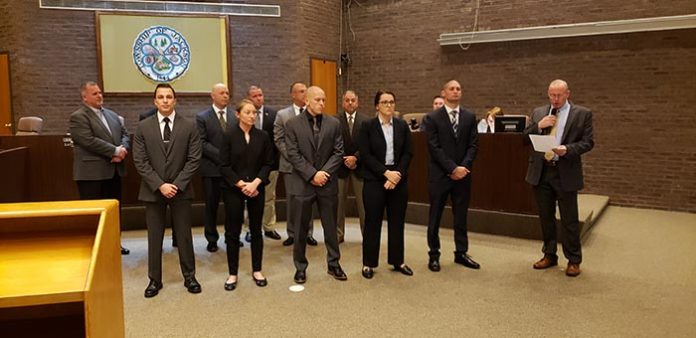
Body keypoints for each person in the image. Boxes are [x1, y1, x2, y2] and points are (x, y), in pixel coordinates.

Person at [133, 83, 202, 298]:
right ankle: (154, 280)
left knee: (184, 236)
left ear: (175, 100)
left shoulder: (189, 126)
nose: (164, 100)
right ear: (154, 101)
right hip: (153, 191)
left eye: (168, 97)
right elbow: (140, 160)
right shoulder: (143, 127)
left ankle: (190, 277)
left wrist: (177, 184)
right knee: (155, 237)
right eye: (160, 97)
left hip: (181, 191)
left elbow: (194, 159)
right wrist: (160, 185)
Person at [524, 79, 594, 277]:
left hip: (565, 171)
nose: (555, 99)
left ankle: (573, 260)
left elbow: (588, 142)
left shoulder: (582, 114)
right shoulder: (539, 112)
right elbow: (524, 137)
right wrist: (538, 126)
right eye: (552, 95)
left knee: (569, 218)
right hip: (542, 171)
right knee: (546, 217)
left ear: (567, 94)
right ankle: (549, 254)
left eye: (559, 95)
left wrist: (568, 149)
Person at [284, 86, 346, 284]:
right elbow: (292, 154)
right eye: (318, 99)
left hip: (327, 184)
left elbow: (338, 152)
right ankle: (300, 267)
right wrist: (312, 175)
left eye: (324, 100)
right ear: (307, 101)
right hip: (303, 183)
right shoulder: (293, 124)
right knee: (301, 229)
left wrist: (324, 174)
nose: (322, 103)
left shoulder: (334, 123)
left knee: (330, 227)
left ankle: (334, 264)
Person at [421, 79, 480, 272]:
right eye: (451, 89)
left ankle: (461, 253)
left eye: (458, 89)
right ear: (443, 93)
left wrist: (463, 167)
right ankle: (434, 254)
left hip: (463, 176)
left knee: (461, 216)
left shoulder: (470, 117)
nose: (455, 92)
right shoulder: (432, 118)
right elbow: (434, 148)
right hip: (440, 175)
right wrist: (452, 168)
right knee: (435, 216)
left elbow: (473, 145)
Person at [69, 81, 130, 255]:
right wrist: (114, 150)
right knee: (94, 214)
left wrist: (123, 149)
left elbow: (125, 133)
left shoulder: (111, 115)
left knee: (113, 212)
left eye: (100, 92)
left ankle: (113, 244)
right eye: (95, 93)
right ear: (85, 97)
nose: (100, 96)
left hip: (114, 171)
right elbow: (87, 140)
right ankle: (94, 248)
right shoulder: (78, 116)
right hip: (91, 174)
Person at [358, 90, 414, 279]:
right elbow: (365, 155)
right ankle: (368, 263)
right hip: (375, 179)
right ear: (377, 106)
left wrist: (396, 175)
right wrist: (385, 174)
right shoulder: (367, 126)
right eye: (384, 102)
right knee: (372, 222)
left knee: (397, 222)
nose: (389, 105)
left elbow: (408, 153)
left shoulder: (401, 125)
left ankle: (397, 261)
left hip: (398, 178)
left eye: (391, 102)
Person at [219, 99, 274, 290]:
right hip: (234, 188)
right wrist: (241, 184)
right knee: (232, 232)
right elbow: (224, 165)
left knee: (256, 230)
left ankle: (257, 270)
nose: (252, 116)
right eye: (248, 112)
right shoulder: (228, 136)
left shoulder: (263, 136)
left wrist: (256, 182)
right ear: (238, 114)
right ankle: (232, 273)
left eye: (254, 113)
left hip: (257, 187)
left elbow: (268, 163)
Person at [195, 83, 240, 253]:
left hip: (230, 171)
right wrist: (222, 156)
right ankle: (212, 238)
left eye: (227, 93)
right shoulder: (202, 117)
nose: (226, 96)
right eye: (222, 93)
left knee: (232, 206)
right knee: (211, 206)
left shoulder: (234, 116)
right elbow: (202, 142)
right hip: (211, 169)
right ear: (212, 96)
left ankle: (232, 237)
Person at [274, 82, 317, 247]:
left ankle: (309, 233)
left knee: (309, 199)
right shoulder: (283, 115)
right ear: (292, 94)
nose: (304, 94)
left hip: (310, 166)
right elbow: (278, 139)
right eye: (300, 91)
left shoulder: (313, 114)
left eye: (306, 91)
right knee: (293, 200)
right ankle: (292, 233)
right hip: (290, 165)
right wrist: (293, 157)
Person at [243, 85, 282, 242]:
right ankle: (250, 229)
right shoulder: (244, 116)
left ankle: (269, 227)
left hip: (270, 165)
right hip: (248, 167)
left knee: (269, 198)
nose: (259, 98)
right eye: (255, 96)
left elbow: (276, 140)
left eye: (260, 95)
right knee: (249, 198)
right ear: (248, 98)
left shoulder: (273, 115)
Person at [336, 90, 367, 243]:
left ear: (357, 102)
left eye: (352, 100)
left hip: (359, 167)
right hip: (340, 168)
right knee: (338, 204)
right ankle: (338, 234)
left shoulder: (366, 121)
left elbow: (368, 144)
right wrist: (345, 159)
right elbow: (333, 143)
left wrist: (356, 157)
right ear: (343, 102)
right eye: (347, 100)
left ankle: (366, 234)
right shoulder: (335, 120)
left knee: (363, 204)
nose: (350, 103)